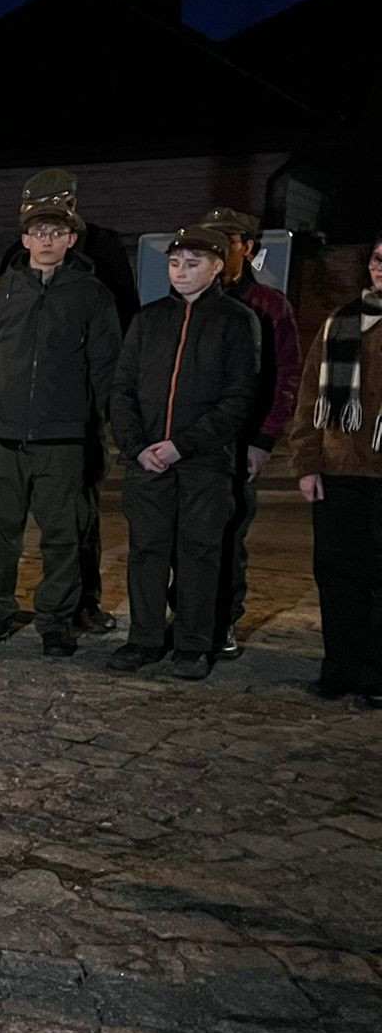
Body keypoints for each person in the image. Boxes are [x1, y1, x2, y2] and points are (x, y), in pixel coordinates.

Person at [0, 168, 135, 632]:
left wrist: (100, 415)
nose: (44, 234)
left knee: (73, 526)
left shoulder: (102, 256)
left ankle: (78, 605)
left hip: (70, 423)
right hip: (9, 424)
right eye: (33, 221)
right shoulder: (8, 275)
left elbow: (113, 346)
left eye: (55, 221)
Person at [106, 225, 258, 680]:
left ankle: (194, 643)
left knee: (200, 552)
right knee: (147, 551)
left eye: (193, 264)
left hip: (204, 463)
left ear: (216, 268)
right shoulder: (148, 320)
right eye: (175, 263)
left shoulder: (235, 320)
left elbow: (238, 398)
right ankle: (145, 638)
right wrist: (137, 447)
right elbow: (122, 389)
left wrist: (182, 445)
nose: (181, 272)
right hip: (148, 460)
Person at [200, 207, 301, 658]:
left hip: (241, 441)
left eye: (230, 240)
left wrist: (264, 440)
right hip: (191, 440)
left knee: (228, 536)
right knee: (186, 536)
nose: (220, 247)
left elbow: (287, 377)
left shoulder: (269, 306)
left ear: (249, 248)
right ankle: (186, 617)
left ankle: (222, 622)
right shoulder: (187, 300)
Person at [288, 233, 382, 707]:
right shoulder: (341, 322)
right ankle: (340, 667)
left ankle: (377, 674)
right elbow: (308, 401)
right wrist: (306, 462)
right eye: (379, 259)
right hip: (339, 470)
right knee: (338, 573)